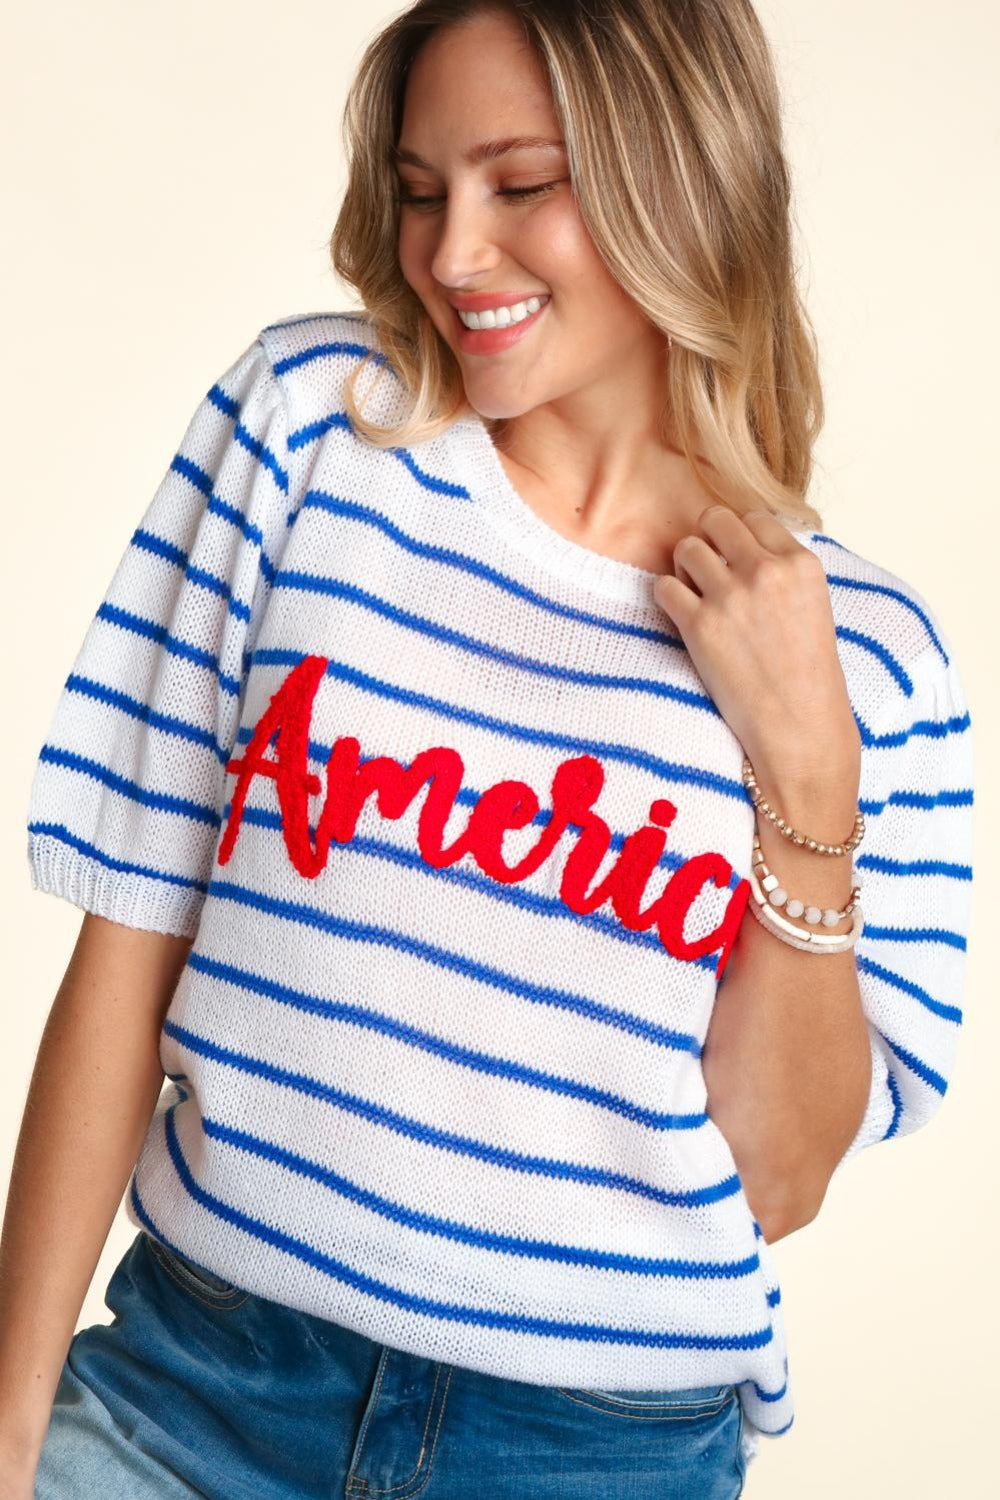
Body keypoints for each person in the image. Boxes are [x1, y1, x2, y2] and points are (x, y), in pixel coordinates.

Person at [1, 2, 975, 1496]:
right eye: (419, 190)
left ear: (683, 182)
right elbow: (131, 934)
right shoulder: (307, 434)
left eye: (521, 186)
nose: (454, 254)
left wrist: (810, 778)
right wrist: (9, 1424)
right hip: (194, 1393)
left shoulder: (869, 658)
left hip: (591, 1457)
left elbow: (780, 1173)